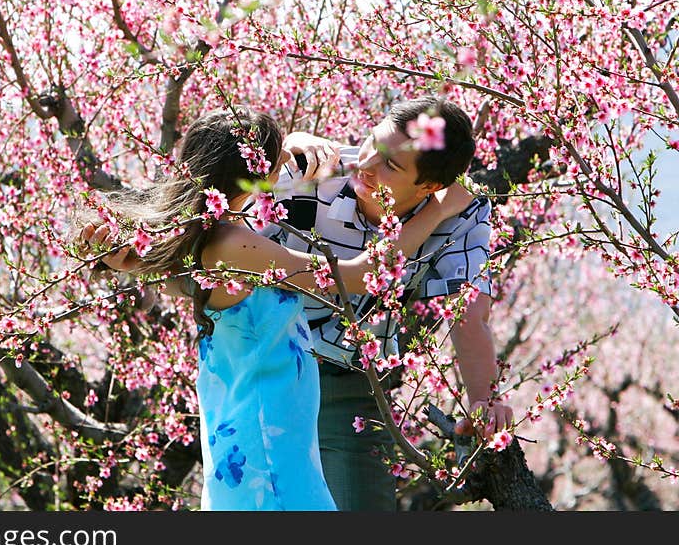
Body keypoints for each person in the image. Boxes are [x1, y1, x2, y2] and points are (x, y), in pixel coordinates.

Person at [80, 105, 474, 511]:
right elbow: (356, 276)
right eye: (278, 156)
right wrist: (438, 210)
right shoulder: (233, 244)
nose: (288, 160)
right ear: (254, 170)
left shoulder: (213, 236)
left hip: (259, 425)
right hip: (266, 436)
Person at [266, 95, 514, 511]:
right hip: (267, 366)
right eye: (372, 143)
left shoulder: (462, 213)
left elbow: (468, 311)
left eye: (391, 166)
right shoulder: (310, 171)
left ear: (430, 186)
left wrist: (483, 398)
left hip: (348, 386)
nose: (366, 164)